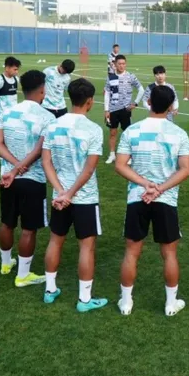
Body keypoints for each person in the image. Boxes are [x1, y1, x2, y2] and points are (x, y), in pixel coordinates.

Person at [115, 85, 189, 317]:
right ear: (170, 107)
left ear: (148, 102)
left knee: (131, 252)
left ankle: (126, 303)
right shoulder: (178, 133)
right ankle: (171, 303)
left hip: (137, 197)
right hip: (165, 199)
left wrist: (145, 185)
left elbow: (120, 165)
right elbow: (185, 170)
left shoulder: (132, 130)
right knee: (169, 253)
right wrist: (159, 188)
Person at [41, 78, 108, 312]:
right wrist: (69, 192)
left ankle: (50, 290)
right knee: (86, 247)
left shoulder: (53, 126)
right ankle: (84, 300)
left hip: (60, 197)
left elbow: (46, 162)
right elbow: (89, 169)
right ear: (90, 101)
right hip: (84, 198)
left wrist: (60, 191)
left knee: (55, 241)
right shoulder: (93, 130)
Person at [0, 70, 56, 287]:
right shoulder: (47, 117)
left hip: (7, 178)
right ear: (42, 90)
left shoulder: (8, 112)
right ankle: (23, 274)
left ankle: (5, 263)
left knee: (7, 222)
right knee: (29, 228)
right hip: (33, 179)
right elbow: (40, 150)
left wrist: (13, 166)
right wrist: (21, 166)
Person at [103, 54, 144, 164]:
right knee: (112, 132)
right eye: (119, 64)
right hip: (112, 110)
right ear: (115, 64)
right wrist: (106, 109)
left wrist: (135, 103)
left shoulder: (130, 76)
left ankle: (129, 155)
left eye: (123, 64)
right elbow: (107, 93)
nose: (121, 66)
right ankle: (112, 154)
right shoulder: (110, 77)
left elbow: (141, 89)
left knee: (127, 133)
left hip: (125, 110)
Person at [0, 56, 21, 123]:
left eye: (17, 69)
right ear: (7, 68)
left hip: (13, 115)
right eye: (15, 69)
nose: (17, 72)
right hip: (2, 116)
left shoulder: (16, 79)